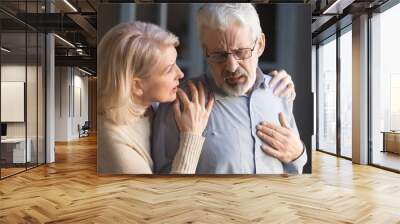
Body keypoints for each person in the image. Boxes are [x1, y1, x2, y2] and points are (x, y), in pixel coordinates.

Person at [97, 21, 298, 174]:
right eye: (168, 70)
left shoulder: (146, 104)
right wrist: (191, 137)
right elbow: (159, 208)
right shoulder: (114, 147)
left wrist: (273, 82)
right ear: (137, 85)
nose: (181, 74)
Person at [152, 3, 307, 174]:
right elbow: (164, 185)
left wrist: (298, 154)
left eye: (241, 52)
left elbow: (294, 172)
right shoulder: (180, 104)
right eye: (219, 55)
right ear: (205, 52)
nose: (232, 67)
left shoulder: (280, 90)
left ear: (260, 45)